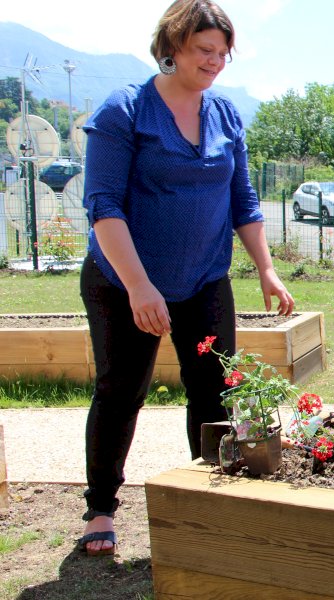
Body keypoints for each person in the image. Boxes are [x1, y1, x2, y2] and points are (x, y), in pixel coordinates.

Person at [78, 0, 294, 556]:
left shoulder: (224, 115)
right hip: (122, 281)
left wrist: (266, 268)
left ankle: (209, 501)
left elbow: (242, 198)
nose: (215, 62)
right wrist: (138, 286)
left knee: (216, 391)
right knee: (122, 391)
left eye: (223, 53)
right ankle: (100, 507)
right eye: (204, 50)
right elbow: (103, 205)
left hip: (203, 279)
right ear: (172, 45)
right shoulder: (124, 109)